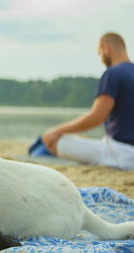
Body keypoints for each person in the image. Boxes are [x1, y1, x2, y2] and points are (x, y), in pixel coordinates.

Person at [42, 32, 134, 170]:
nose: (100, 60)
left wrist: (58, 130)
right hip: (122, 149)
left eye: (99, 53)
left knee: (50, 140)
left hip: (120, 155)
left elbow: (96, 117)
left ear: (107, 49)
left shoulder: (112, 73)